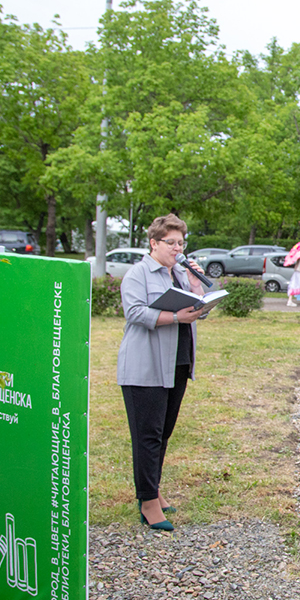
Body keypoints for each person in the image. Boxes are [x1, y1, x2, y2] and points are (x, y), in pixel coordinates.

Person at [117, 214, 205, 532]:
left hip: (177, 363)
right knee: (147, 437)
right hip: (145, 366)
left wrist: (198, 291)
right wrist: (175, 317)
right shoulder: (138, 273)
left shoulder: (179, 273)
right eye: (171, 243)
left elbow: (191, 312)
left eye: (181, 243)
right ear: (154, 243)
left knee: (163, 433)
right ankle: (148, 503)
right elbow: (135, 312)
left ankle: (153, 489)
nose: (178, 249)